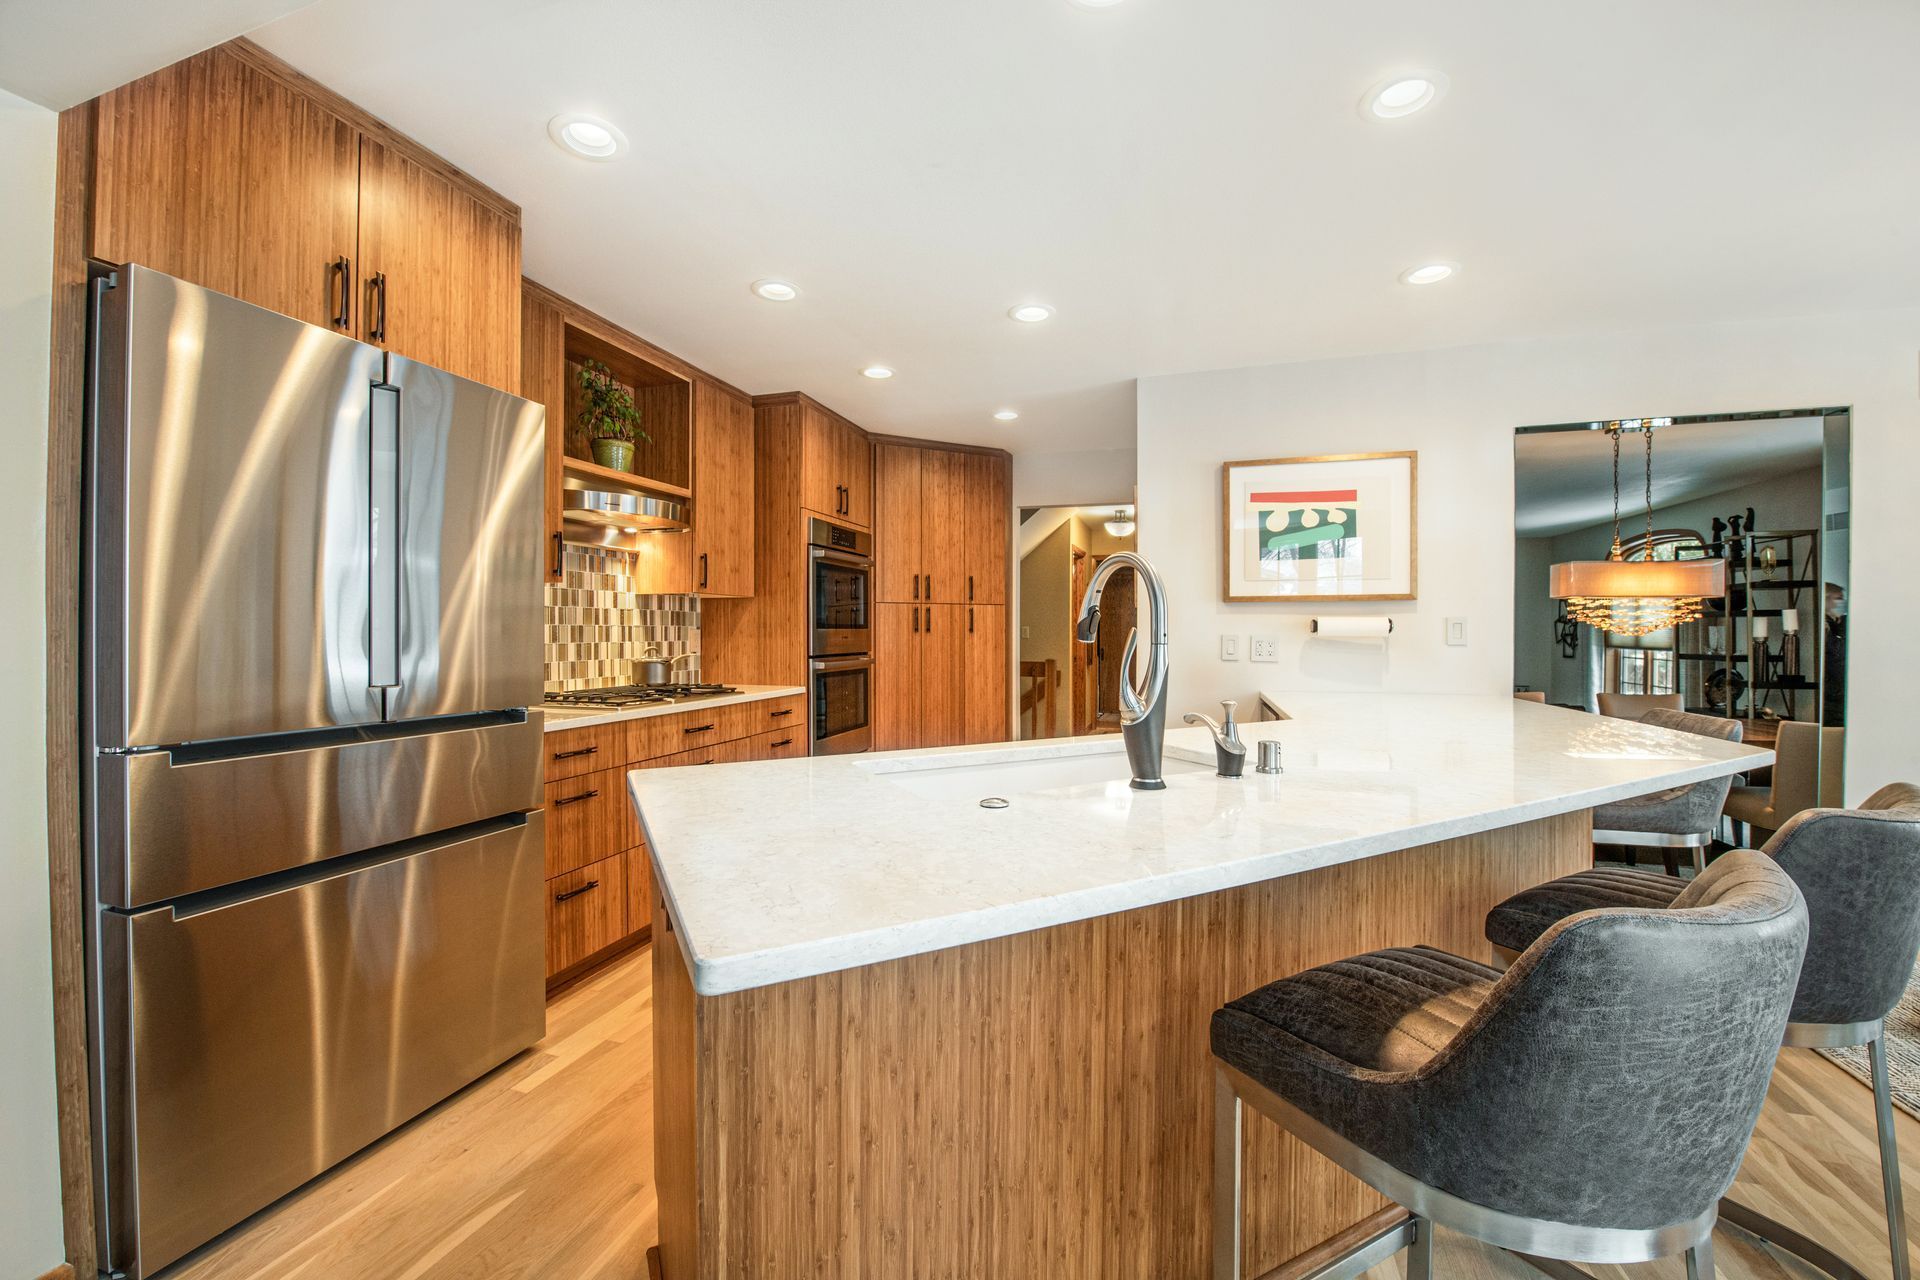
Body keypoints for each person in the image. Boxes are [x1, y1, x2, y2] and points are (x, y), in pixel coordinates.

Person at [1823, 582, 1847, 726]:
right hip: (1831, 699)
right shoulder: (1824, 626)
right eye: (1838, 598)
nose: (1842, 602)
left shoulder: (1837, 624)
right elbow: (1837, 656)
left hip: (1839, 696)